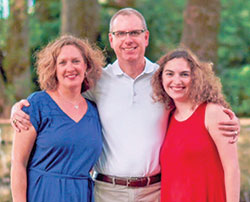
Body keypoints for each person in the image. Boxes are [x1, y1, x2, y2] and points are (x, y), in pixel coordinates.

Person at [10, 8, 240, 202]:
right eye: (120, 33)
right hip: (107, 192)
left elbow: (195, 105)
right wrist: (19, 107)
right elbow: (62, 97)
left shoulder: (164, 79)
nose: (128, 39)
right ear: (111, 39)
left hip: (155, 191)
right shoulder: (97, 82)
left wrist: (227, 116)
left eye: (134, 32)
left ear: (146, 37)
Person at [11, 35, 105, 202]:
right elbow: (18, 163)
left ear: (86, 67)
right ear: (53, 68)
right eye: (62, 62)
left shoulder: (94, 111)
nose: (70, 67)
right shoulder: (36, 105)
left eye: (76, 61)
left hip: (81, 195)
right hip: (42, 193)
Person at [152, 49, 240, 202]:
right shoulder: (168, 116)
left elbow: (232, 169)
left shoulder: (212, 113)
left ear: (196, 78)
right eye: (170, 74)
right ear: (161, 78)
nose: (176, 81)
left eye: (184, 74)